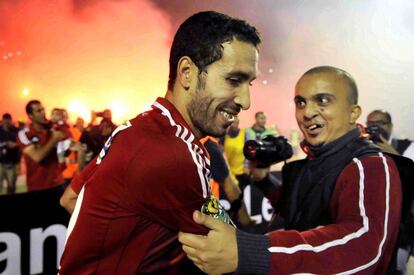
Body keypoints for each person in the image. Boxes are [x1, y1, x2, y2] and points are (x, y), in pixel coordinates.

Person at [59, 11, 260, 274]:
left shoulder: (140, 127)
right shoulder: (175, 153)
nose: (246, 101)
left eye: (250, 84)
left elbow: (71, 197)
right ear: (187, 72)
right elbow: (229, 253)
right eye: (233, 80)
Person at [178, 66, 402, 274]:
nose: (307, 112)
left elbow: (364, 249)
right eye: (301, 102)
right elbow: (296, 209)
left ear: (353, 113)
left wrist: (251, 251)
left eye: (322, 100)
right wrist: (264, 181)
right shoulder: (314, 160)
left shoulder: (370, 165)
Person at [366, 110, 414, 274]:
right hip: (373, 218)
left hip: (402, 221)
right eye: (371, 124)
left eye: (381, 123)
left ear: (391, 126)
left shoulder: (406, 146)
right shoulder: (363, 147)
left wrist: (392, 152)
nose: (376, 128)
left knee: (397, 266)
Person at [17, 100, 67, 191]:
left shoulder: (52, 128)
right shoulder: (24, 134)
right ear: (30, 116)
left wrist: (61, 123)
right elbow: (37, 157)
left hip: (58, 182)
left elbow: (67, 143)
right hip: (37, 186)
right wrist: (54, 139)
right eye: (38, 111)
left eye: (43, 109)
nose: (43, 113)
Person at [0, 113, 21, 194]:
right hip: (1, 162)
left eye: (9, 120)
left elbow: (21, 143)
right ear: (3, 121)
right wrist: (5, 144)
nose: (7, 122)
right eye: (5, 120)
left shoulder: (15, 130)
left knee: (11, 185)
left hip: (12, 162)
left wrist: (15, 145)